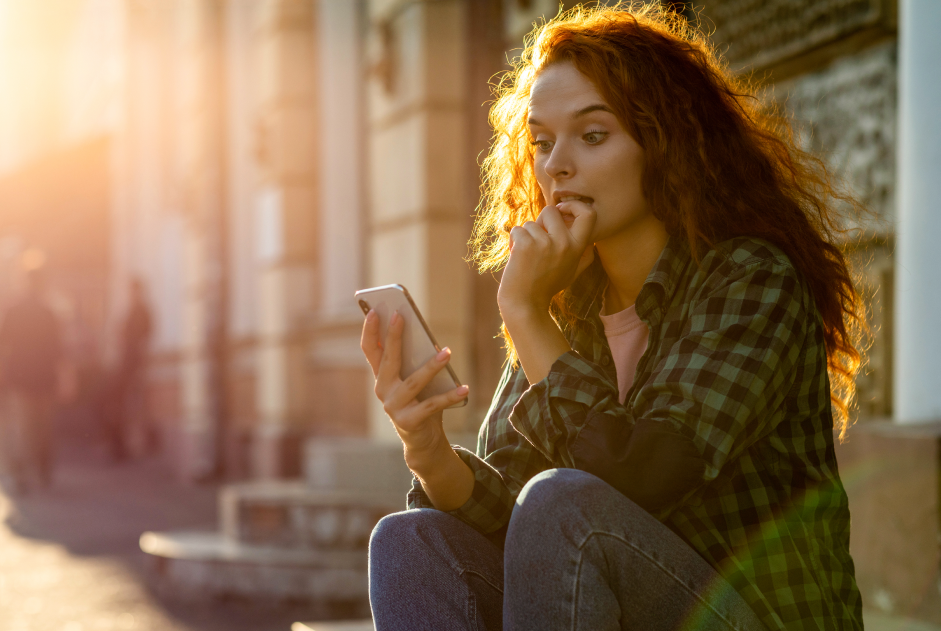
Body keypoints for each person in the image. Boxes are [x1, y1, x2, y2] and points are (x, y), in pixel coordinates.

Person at [363, 5, 864, 631]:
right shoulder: (570, 308)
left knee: (561, 505)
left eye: (592, 135)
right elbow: (507, 516)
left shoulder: (748, 279)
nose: (555, 165)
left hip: (750, 618)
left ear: (665, 146)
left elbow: (643, 474)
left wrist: (524, 313)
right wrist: (429, 450)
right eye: (542, 142)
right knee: (410, 541)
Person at [0, 259, 63, 494]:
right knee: (43, 429)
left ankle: (23, 475)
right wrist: (65, 378)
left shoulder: (14, 312)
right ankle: (42, 472)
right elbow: (58, 349)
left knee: (25, 429)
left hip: (22, 380)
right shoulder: (48, 313)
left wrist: (3, 374)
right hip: (44, 379)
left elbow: (3, 346)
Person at [108, 277, 154, 461]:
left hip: (132, 365)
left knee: (126, 406)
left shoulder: (140, 311)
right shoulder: (134, 310)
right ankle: (122, 447)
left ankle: (126, 447)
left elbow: (141, 335)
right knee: (122, 406)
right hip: (128, 364)